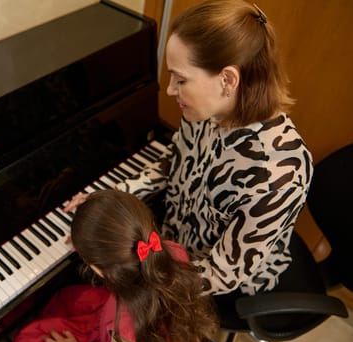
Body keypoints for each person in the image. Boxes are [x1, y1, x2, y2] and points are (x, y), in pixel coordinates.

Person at [65, 0, 313, 296]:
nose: (170, 90)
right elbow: (173, 163)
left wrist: (140, 274)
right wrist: (112, 198)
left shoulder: (279, 173)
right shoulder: (206, 111)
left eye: (181, 79)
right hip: (169, 244)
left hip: (207, 282)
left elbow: (223, 273)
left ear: (227, 80)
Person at [13, 189, 218, 342]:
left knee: (26, 338)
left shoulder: (125, 336)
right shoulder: (170, 250)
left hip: (124, 329)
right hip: (144, 311)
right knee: (66, 297)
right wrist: (99, 233)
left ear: (101, 270)